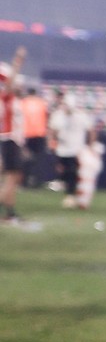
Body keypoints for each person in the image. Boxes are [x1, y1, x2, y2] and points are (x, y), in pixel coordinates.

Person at [49, 94, 95, 209]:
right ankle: (68, 190)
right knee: (63, 172)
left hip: (76, 150)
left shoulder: (81, 116)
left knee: (73, 172)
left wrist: (90, 146)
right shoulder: (58, 115)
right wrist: (52, 142)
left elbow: (91, 130)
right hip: (62, 149)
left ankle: (70, 194)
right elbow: (53, 130)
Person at [0, 46, 27, 223]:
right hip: (9, 139)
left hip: (14, 140)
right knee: (10, 177)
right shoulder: (7, 96)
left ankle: (10, 210)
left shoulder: (15, 100)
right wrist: (18, 61)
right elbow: (9, 84)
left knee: (13, 177)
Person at [21, 87, 49, 189]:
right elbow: (47, 117)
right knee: (38, 160)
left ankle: (25, 182)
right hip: (40, 134)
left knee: (26, 159)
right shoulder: (42, 103)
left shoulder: (23, 103)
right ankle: (37, 182)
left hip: (27, 134)